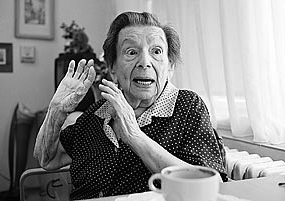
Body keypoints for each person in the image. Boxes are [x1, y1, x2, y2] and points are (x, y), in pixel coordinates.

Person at [34, 11, 227, 200]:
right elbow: (48, 159)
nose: (145, 62)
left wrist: (134, 135)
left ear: (170, 66)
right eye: (132, 52)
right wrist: (57, 110)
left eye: (156, 51)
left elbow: (213, 185)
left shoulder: (187, 107)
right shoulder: (98, 112)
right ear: (112, 68)